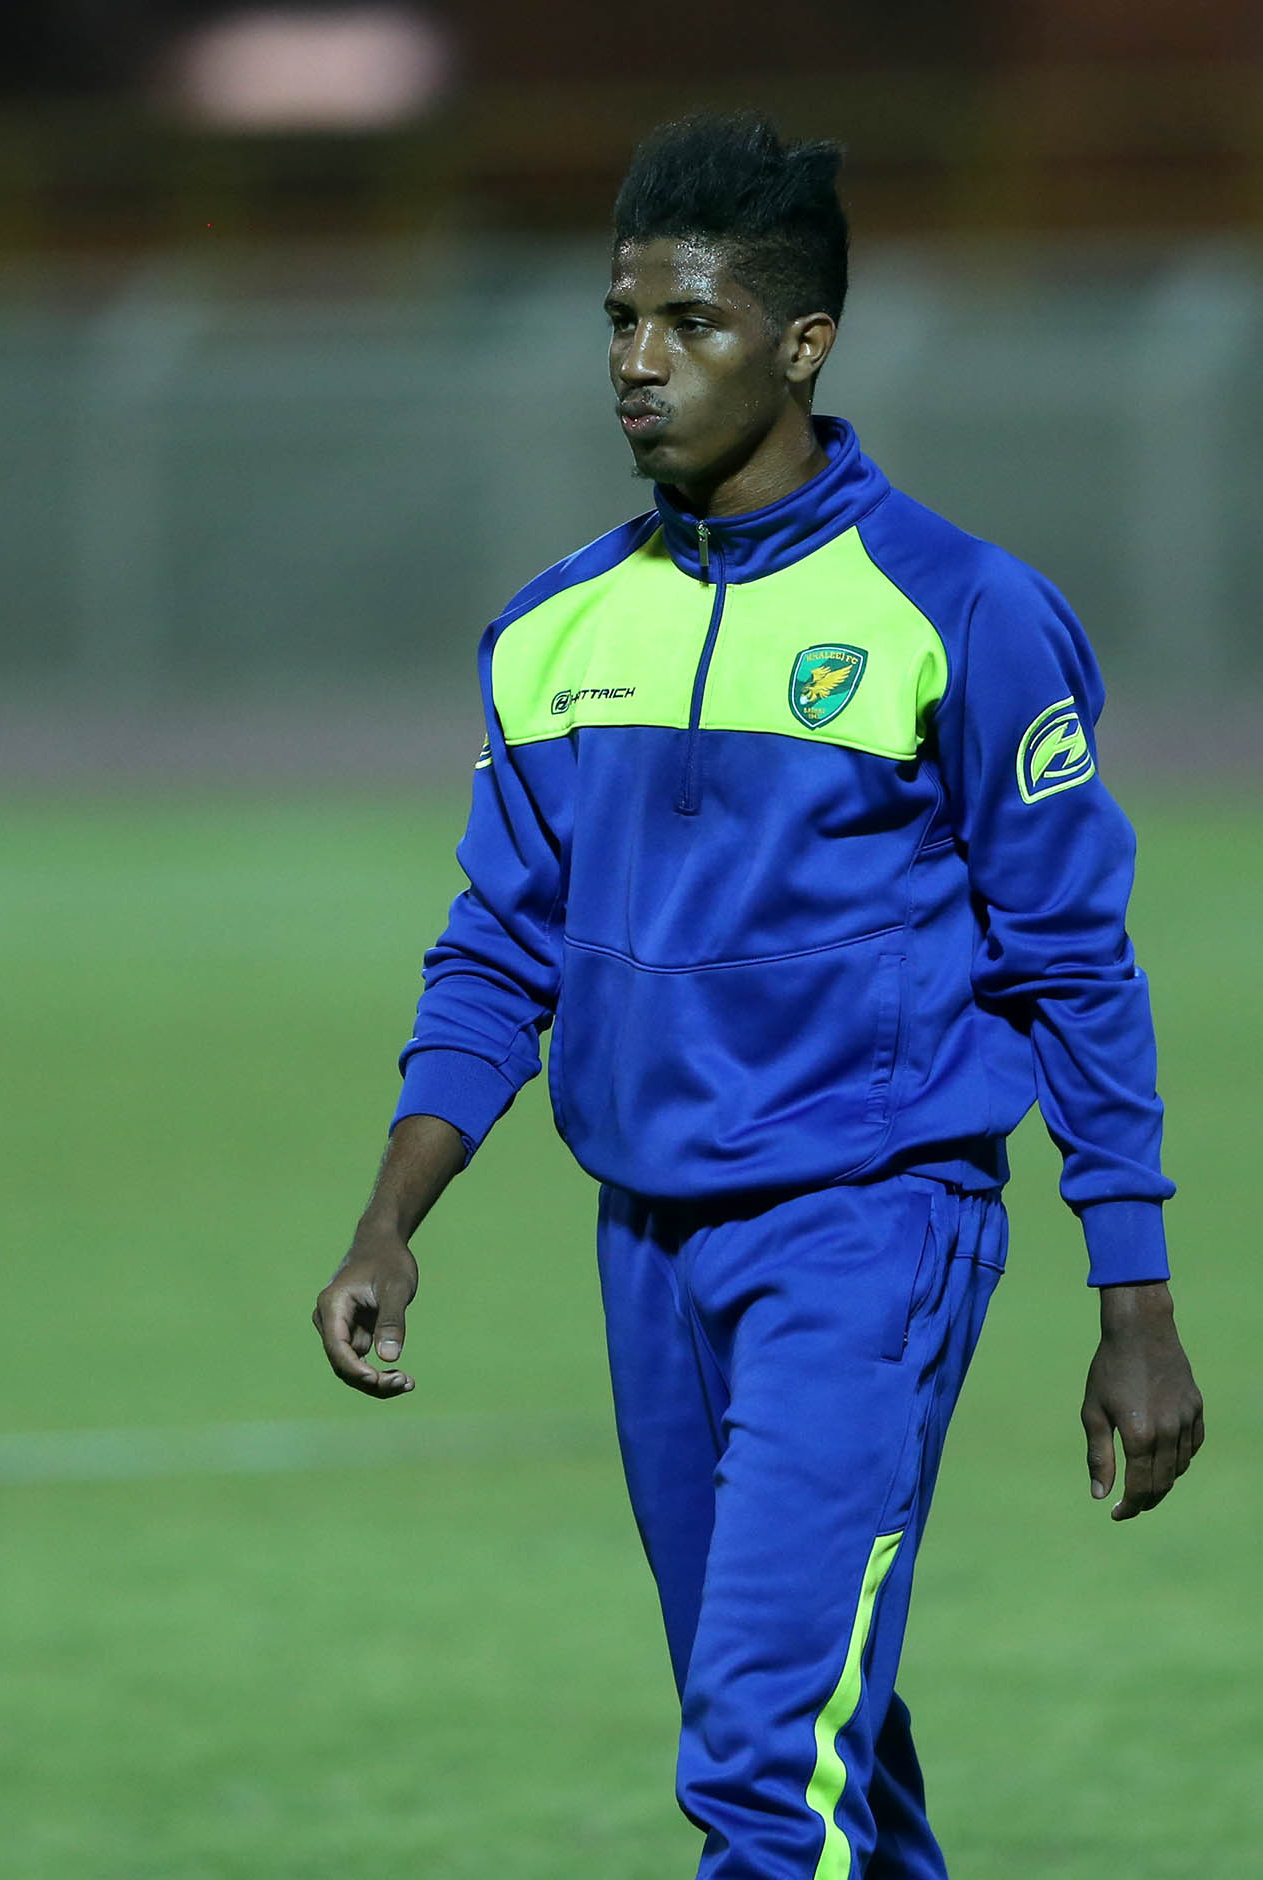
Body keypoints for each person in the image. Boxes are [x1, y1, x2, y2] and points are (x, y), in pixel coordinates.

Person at [312, 112, 1204, 1879]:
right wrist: (391, 1220)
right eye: (620, 320)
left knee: (756, 1767)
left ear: (803, 344)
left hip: (870, 1229)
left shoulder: (962, 613)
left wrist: (1137, 1298)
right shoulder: (557, 632)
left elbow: (1075, 963)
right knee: (816, 1742)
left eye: (692, 322)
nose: (639, 362)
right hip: (648, 1247)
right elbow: (497, 950)